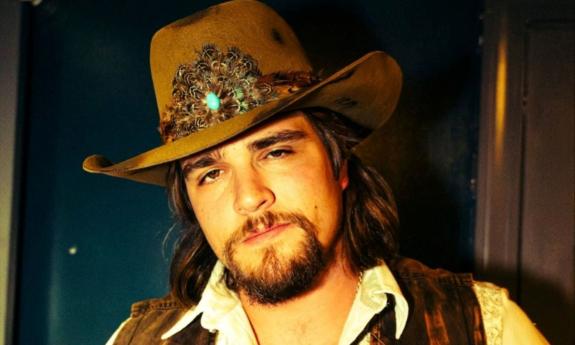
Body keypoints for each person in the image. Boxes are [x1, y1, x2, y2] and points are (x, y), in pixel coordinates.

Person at [83, 1, 549, 344]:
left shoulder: (486, 329)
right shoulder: (134, 340)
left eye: (276, 152)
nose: (249, 197)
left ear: (338, 162)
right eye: (210, 173)